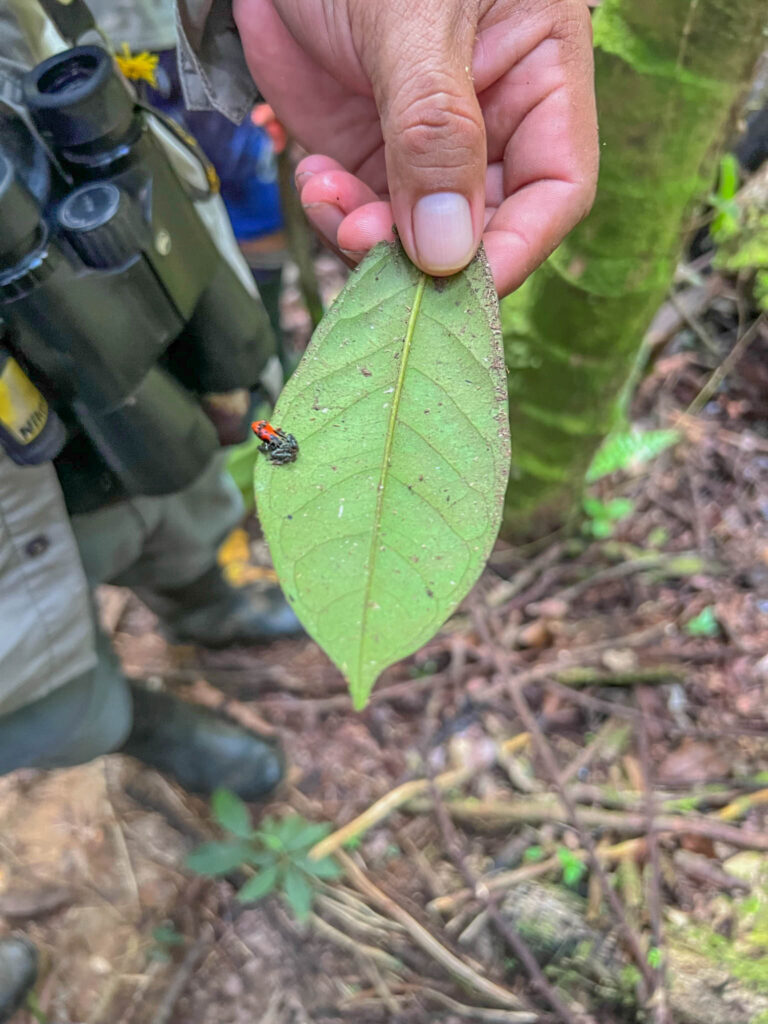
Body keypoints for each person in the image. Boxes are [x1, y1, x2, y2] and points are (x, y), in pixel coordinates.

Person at [0, 1, 598, 1018]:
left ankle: (208, 603)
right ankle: (121, 717)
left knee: (181, 467)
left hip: (85, 183)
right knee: (29, 669)